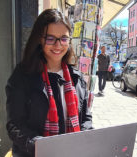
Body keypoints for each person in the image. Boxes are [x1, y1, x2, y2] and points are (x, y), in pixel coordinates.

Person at [5, 9, 93, 157]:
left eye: (64, 39)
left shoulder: (76, 78)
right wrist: (43, 147)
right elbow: (15, 124)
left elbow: (86, 118)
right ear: (39, 39)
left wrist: (82, 141)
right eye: (50, 38)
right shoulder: (22, 76)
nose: (58, 45)